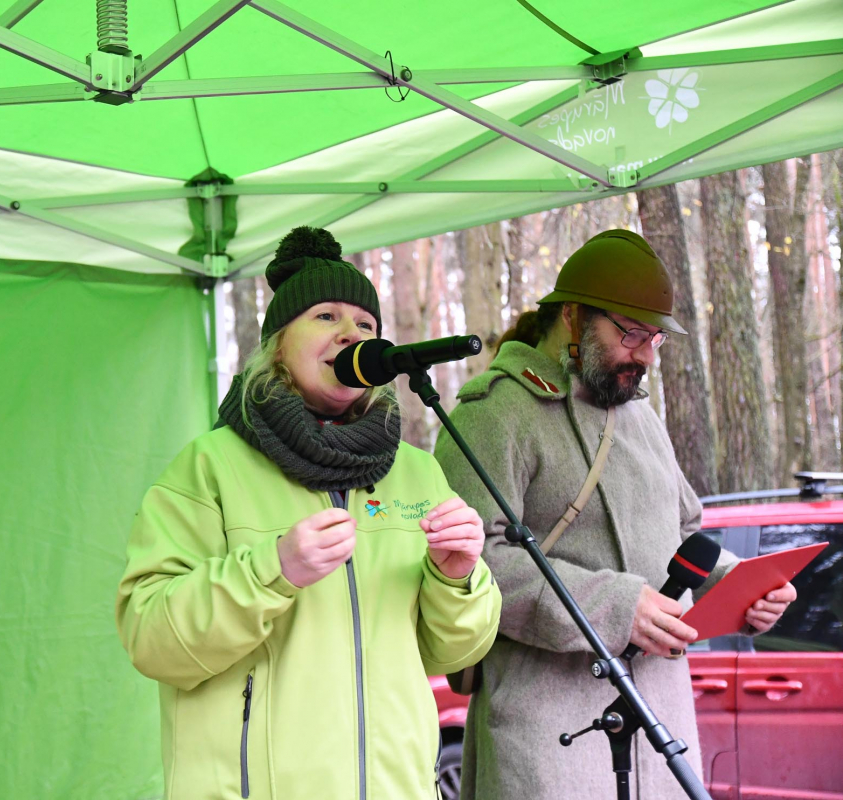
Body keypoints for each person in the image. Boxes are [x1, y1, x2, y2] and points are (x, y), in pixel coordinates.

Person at [116, 226, 501, 800]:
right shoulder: (210, 466)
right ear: (276, 344)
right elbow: (150, 636)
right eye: (325, 316)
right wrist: (273, 570)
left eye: (366, 325)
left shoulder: (417, 472)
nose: (351, 333)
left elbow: (453, 653)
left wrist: (456, 577)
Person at [434, 229, 796, 800]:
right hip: (547, 727)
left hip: (660, 721)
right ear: (574, 318)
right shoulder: (495, 412)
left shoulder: (641, 417)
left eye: (656, 339)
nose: (646, 355)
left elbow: (686, 532)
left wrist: (740, 587)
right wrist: (615, 606)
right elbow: (467, 562)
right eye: (631, 334)